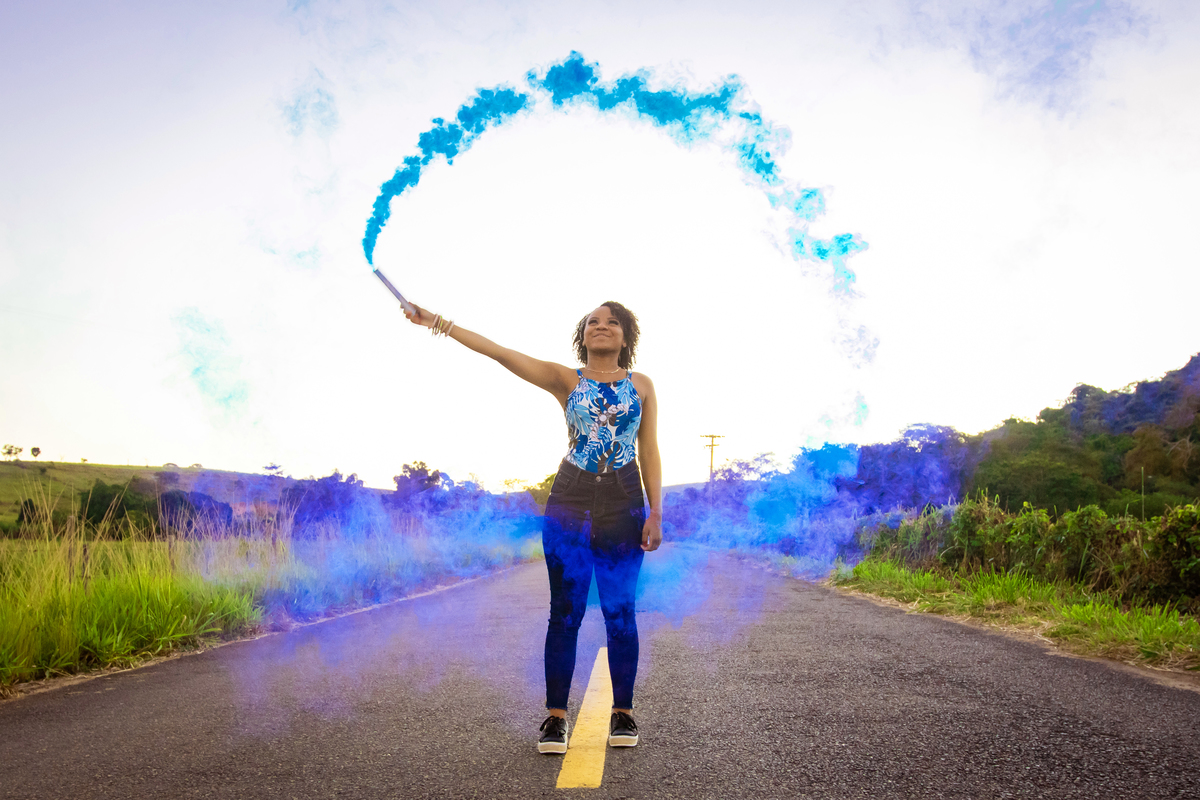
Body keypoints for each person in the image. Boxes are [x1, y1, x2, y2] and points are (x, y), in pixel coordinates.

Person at [401, 300, 663, 753]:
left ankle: (623, 713)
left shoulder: (641, 386)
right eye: (592, 323)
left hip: (624, 501)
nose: (601, 327)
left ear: (626, 336)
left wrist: (656, 510)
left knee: (620, 611)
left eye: (611, 322)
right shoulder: (567, 379)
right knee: (565, 613)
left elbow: (650, 450)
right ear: (583, 336)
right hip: (571, 499)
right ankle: (556, 719)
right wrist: (440, 324)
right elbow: (501, 353)